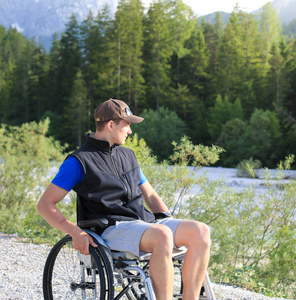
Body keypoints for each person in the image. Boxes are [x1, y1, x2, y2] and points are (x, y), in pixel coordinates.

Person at [37, 98, 211, 300]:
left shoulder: (128, 156)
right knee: (162, 234)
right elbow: (45, 205)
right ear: (111, 125)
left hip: (144, 224)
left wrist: (169, 220)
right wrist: (75, 232)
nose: (130, 131)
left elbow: (151, 195)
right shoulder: (79, 161)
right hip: (112, 227)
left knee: (200, 231)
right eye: (127, 125)